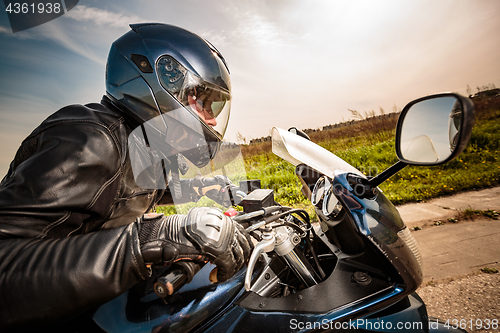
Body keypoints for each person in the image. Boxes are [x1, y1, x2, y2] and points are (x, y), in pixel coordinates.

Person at [0, 23, 252, 331]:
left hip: (103, 305)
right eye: (203, 102)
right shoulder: (89, 141)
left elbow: (136, 189)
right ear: (159, 82)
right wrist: (151, 237)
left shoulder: (146, 146)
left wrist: (207, 187)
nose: (212, 119)